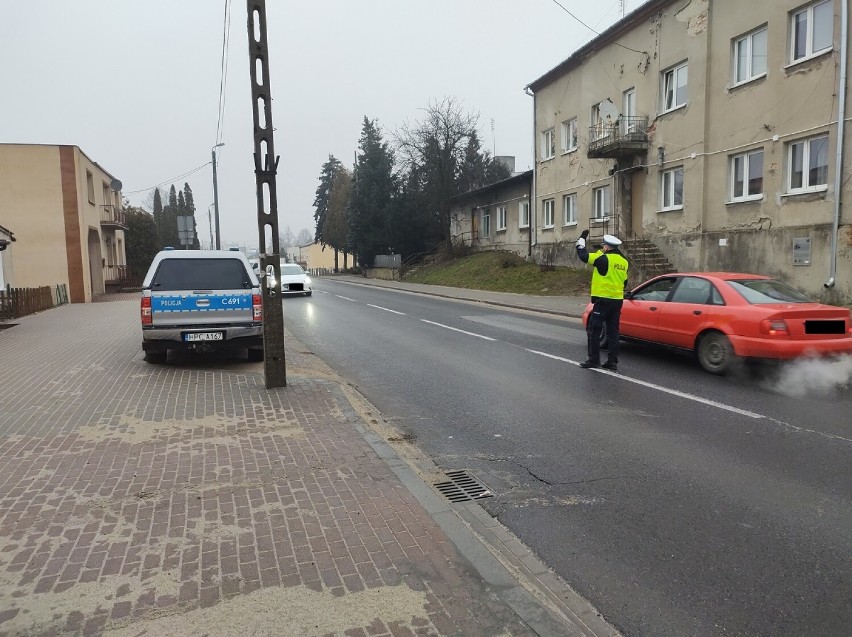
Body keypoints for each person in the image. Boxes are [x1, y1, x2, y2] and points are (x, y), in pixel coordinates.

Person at [575, 231, 629, 371]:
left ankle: (593, 359)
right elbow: (625, 281)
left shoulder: (604, 259)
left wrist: (581, 240)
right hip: (617, 300)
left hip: (603, 300)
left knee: (594, 329)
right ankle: (612, 361)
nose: (603, 247)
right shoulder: (624, 262)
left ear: (606, 247)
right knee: (613, 331)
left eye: (604, 245)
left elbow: (583, 256)